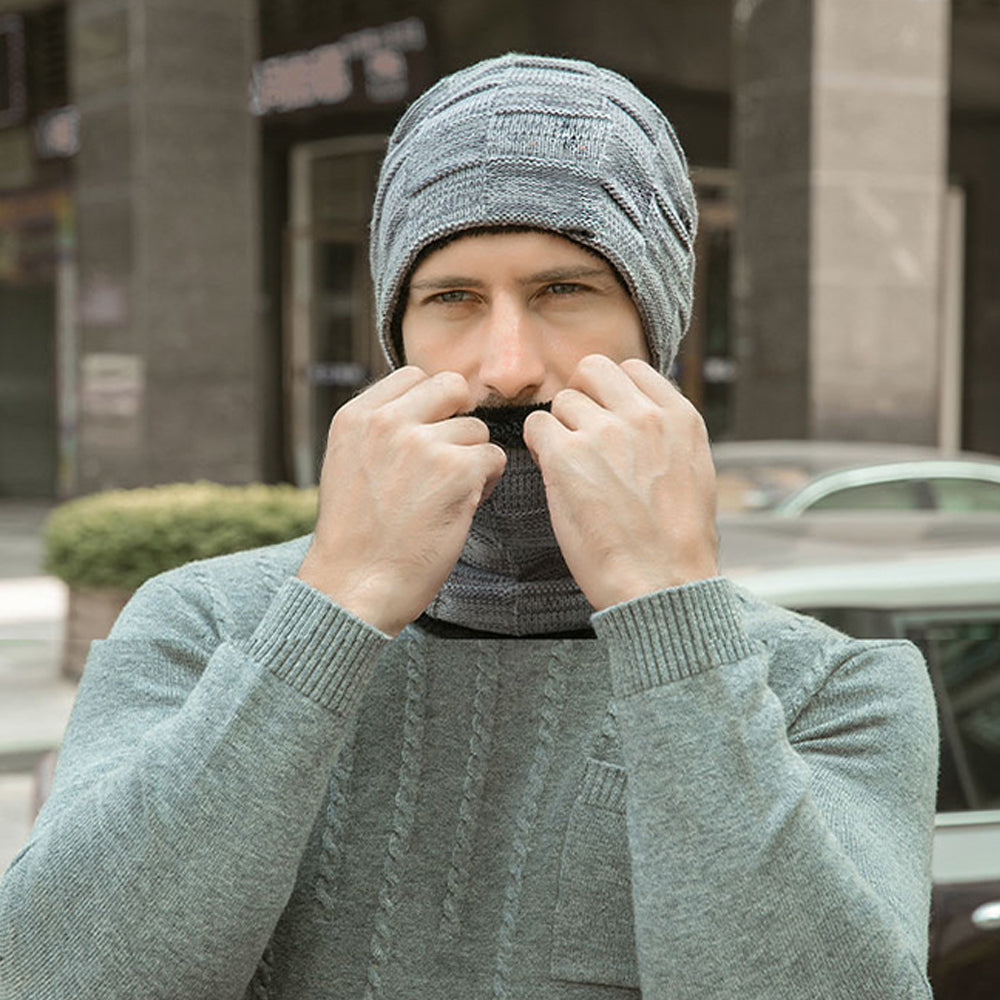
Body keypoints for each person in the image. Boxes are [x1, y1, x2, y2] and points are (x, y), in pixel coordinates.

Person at [0, 54, 938, 1000]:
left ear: (656, 328)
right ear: (396, 334)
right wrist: (336, 605)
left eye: (565, 290)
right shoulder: (203, 626)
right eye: (451, 298)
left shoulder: (837, 690)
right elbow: (54, 978)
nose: (508, 366)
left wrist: (668, 614)